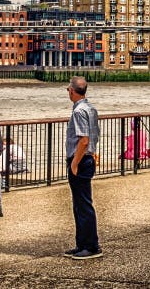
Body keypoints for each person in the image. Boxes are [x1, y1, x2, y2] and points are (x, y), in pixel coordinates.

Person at [63, 75, 102, 260]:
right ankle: (82, 244)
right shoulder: (91, 108)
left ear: (72, 91)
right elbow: (94, 136)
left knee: (83, 205)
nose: (68, 92)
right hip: (88, 159)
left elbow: (84, 140)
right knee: (81, 204)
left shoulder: (78, 111)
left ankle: (91, 246)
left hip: (80, 160)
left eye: (68, 90)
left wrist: (74, 163)